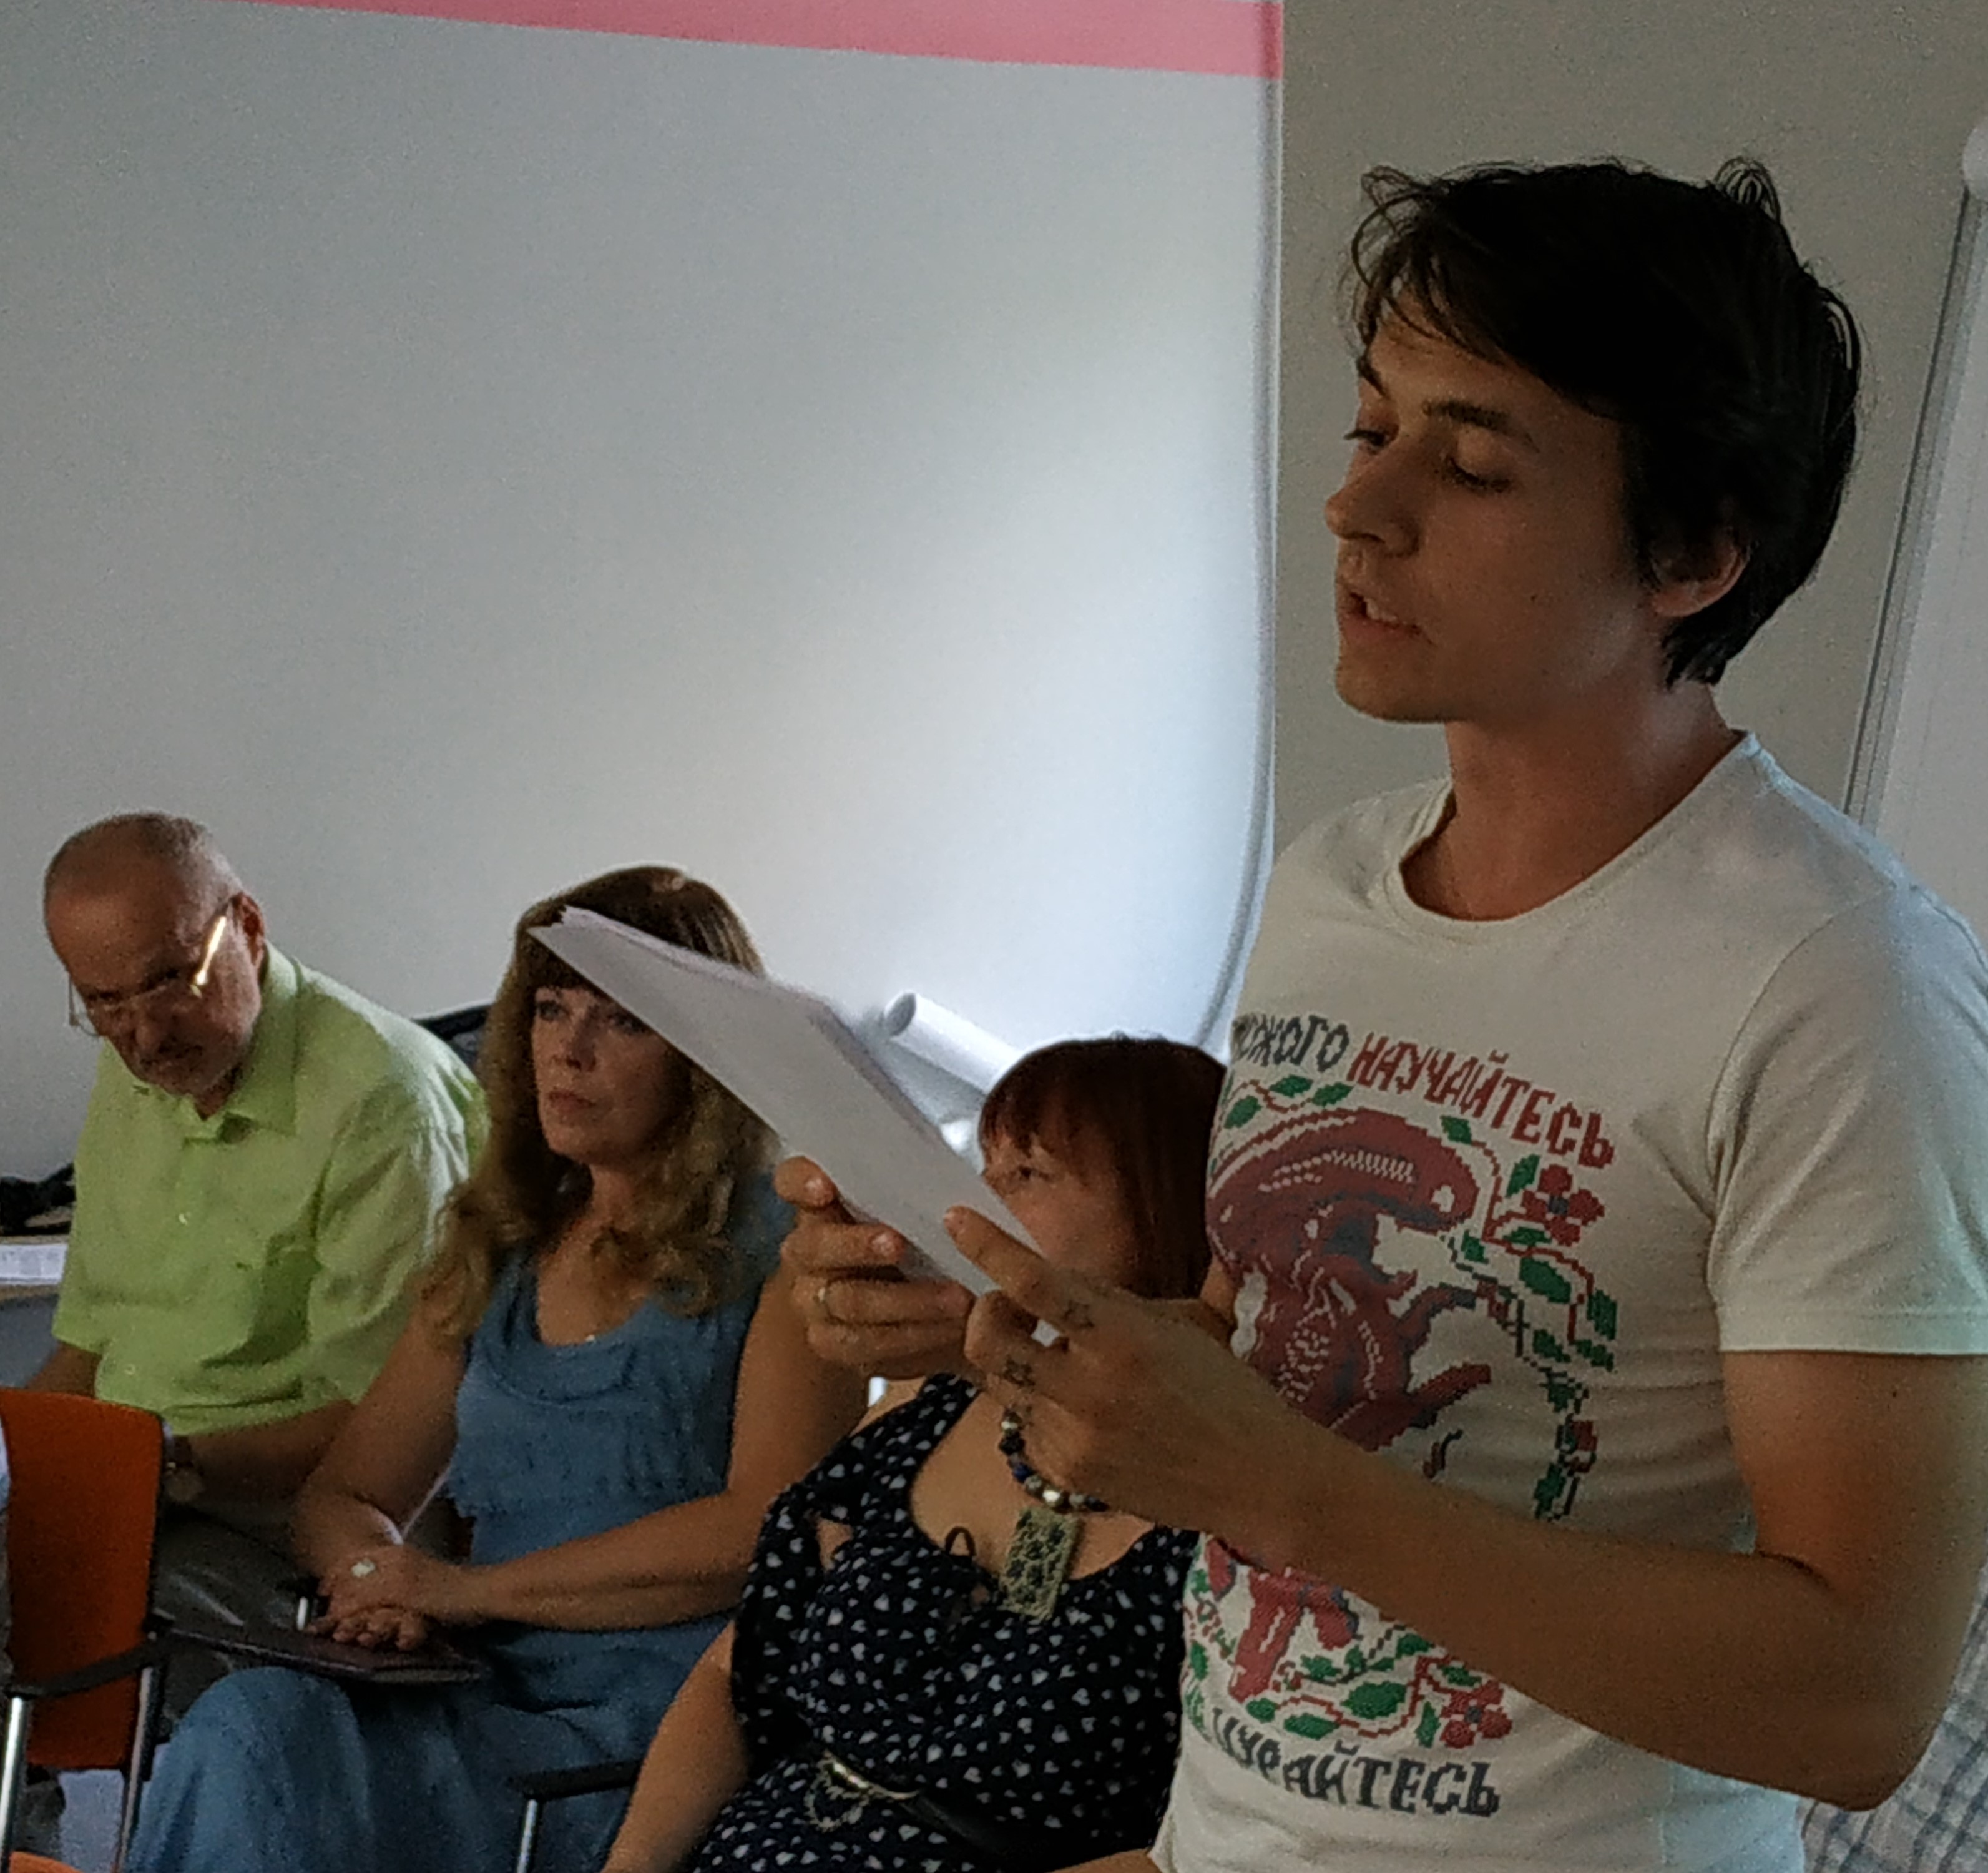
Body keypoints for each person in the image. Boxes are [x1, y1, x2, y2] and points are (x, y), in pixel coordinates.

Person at [781, 159, 1988, 1873]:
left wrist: (1286, 1490)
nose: (1360, 507)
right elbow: (1257, 1355)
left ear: (1695, 554)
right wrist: (1020, 1326)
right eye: (1370, 431)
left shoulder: (1838, 982)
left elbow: (1857, 1703)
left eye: (1473, 464)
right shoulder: (1333, 887)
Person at [127, 866, 867, 1873]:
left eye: (621, 1021)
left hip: (663, 1735)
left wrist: (466, 1590)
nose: (569, 1050)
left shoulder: (788, 1246)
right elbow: (347, 1493)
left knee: (292, 1786)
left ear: (701, 1051)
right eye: (551, 1010)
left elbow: (765, 1532)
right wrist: (373, 1580)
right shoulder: (505, 1244)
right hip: (476, 1690)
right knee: (253, 1720)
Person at [599, 1036, 1224, 1873]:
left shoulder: (1225, 1500)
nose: (977, 1206)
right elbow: (732, 1677)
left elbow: (1206, 1847)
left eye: (1028, 1174)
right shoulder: (923, 1411)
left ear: (1162, 1204)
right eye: (983, 1170)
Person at [34, 812, 484, 1644]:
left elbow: (383, 1430)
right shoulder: (137, 1068)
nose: (146, 1036)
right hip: (139, 1488)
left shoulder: (382, 1102)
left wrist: (163, 1464)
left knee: (51, 1604)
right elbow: (88, 1351)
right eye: (104, 1003)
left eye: (171, 982)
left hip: (293, 1525)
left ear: (245, 926)